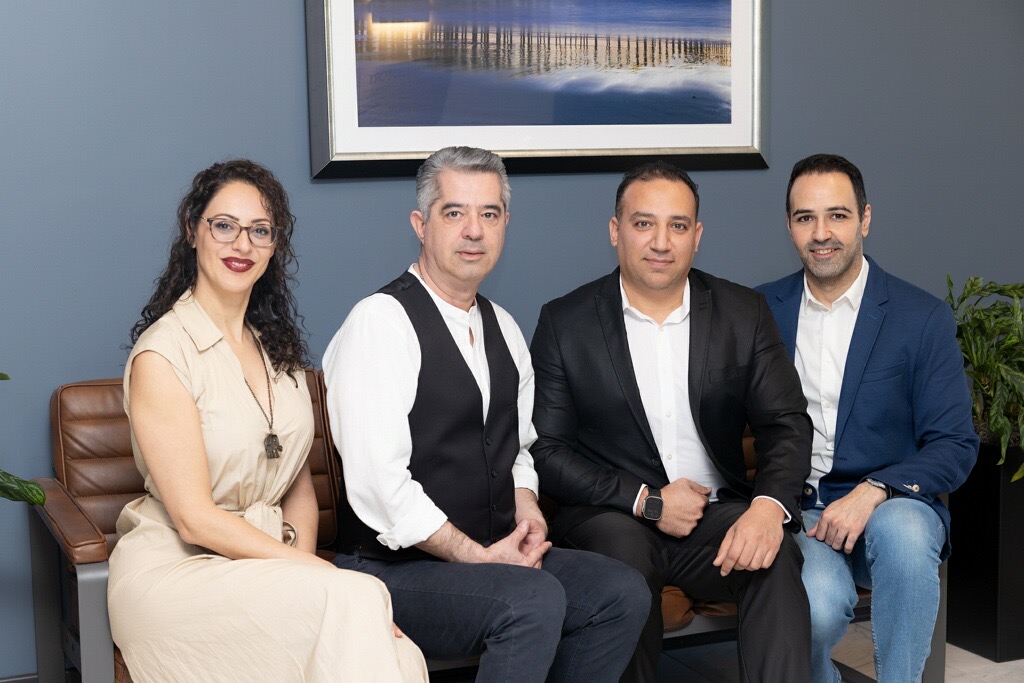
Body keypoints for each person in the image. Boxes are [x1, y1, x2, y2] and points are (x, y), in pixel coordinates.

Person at [323, 146, 649, 682]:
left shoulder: (504, 327)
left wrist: (529, 516)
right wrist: (477, 558)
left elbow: (517, 451)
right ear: (421, 225)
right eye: (454, 212)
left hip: (491, 554)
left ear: (504, 225)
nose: (474, 230)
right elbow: (381, 486)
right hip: (389, 570)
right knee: (531, 600)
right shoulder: (380, 323)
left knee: (620, 592)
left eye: (489, 214)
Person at [107, 159, 428, 682]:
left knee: (398, 651)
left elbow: (297, 484)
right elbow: (194, 520)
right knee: (359, 600)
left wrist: (304, 575)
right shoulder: (162, 355)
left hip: (266, 567)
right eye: (224, 225)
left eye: (260, 230)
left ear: (275, 245)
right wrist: (315, 574)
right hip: (177, 573)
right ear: (192, 230)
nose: (242, 244)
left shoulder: (278, 352)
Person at [530, 161, 813, 682]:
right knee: (624, 567)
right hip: (613, 517)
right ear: (615, 231)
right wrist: (648, 501)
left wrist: (768, 508)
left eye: (677, 226)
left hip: (713, 518)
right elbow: (546, 452)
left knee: (772, 556)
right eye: (644, 223)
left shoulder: (743, 312)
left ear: (696, 236)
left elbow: (786, 424)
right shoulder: (564, 322)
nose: (661, 242)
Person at [756, 153, 979, 682]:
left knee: (906, 533)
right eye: (806, 217)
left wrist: (875, 489)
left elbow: (954, 443)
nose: (822, 233)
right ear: (789, 225)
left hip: (891, 505)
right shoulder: (760, 310)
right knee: (813, 608)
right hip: (804, 513)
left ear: (865, 219)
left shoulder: (920, 317)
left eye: (837, 215)